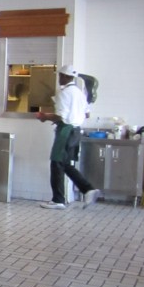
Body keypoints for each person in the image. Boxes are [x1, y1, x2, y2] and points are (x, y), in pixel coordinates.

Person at [36, 64, 99, 210]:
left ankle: (59, 199)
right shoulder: (79, 93)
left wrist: (44, 116)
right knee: (64, 164)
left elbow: (61, 116)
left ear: (65, 76)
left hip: (66, 130)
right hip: (76, 131)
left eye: (60, 76)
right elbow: (87, 114)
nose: (59, 78)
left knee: (56, 163)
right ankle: (88, 190)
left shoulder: (63, 93)